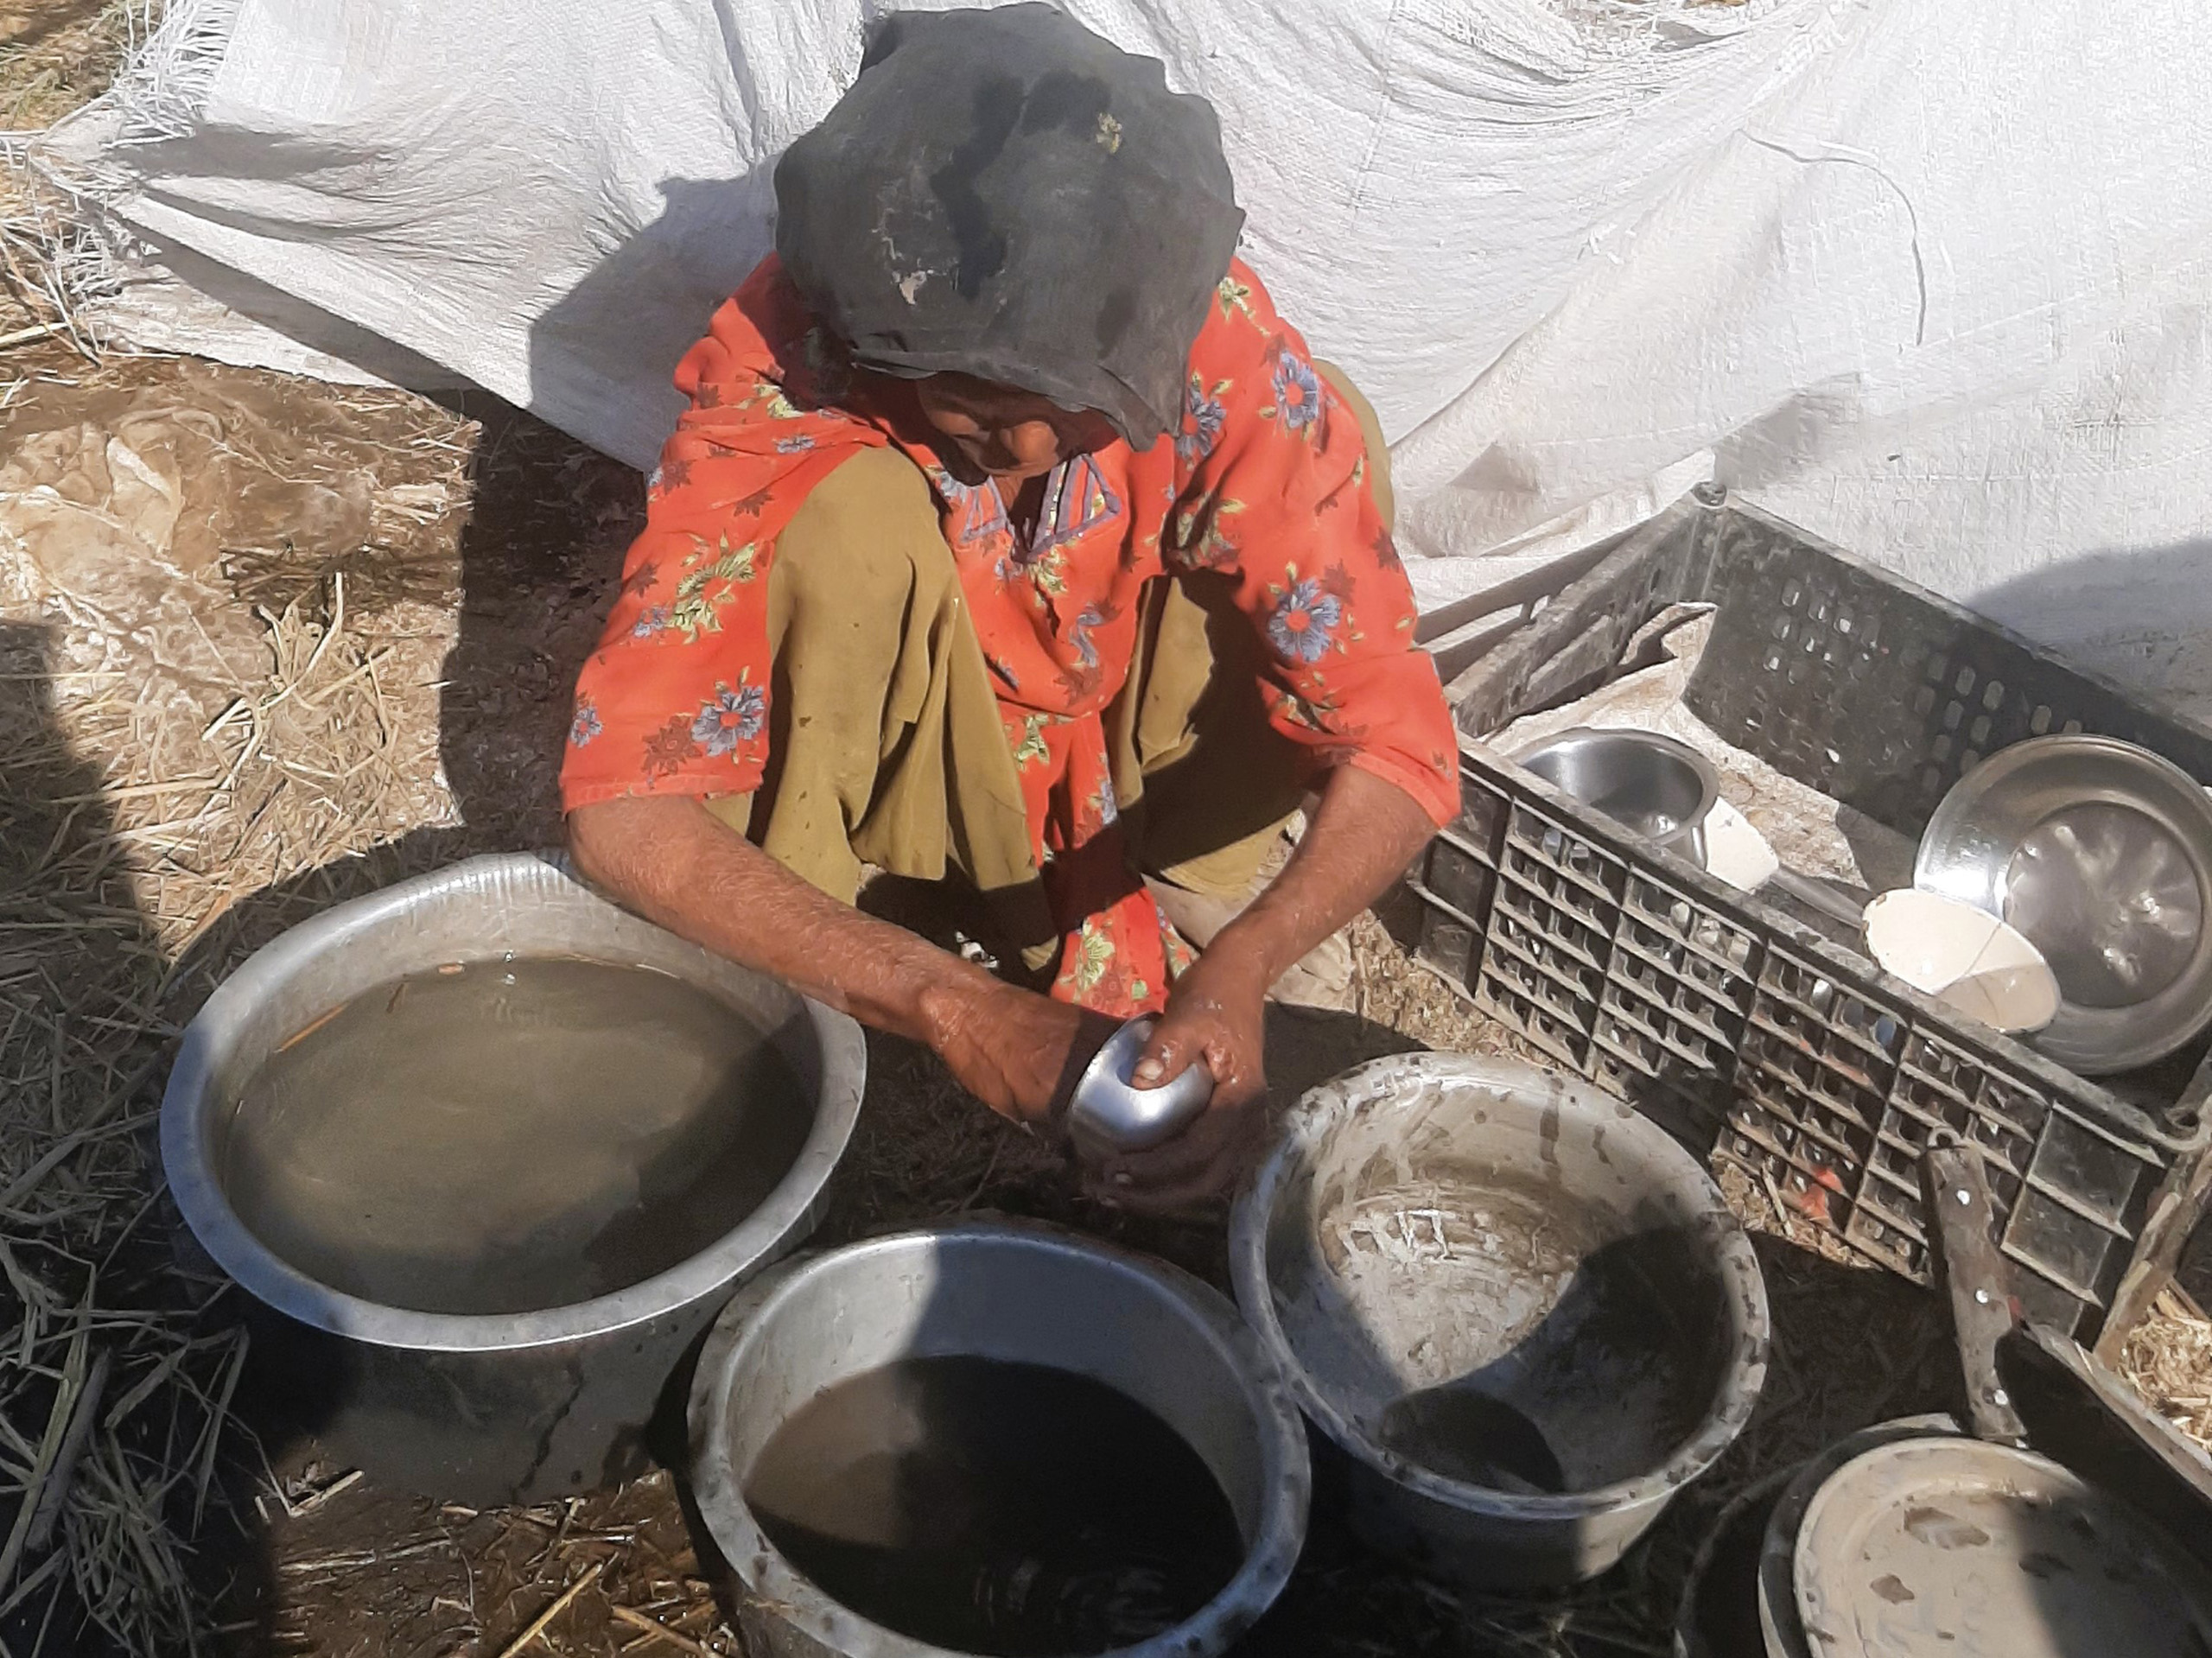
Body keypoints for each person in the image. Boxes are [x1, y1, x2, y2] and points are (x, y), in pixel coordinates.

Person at [562, 3, 1458, 1212]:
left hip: (1121, 721)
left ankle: (1191, 866)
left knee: (1329, 434)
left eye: (1073, 415)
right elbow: (626, 816)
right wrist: (954, 1004)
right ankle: (853, 924)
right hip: (926, 748)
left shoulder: (1202, 334)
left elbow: (1396, 734)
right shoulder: (790, 365)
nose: (1027, 447)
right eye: (973, 414)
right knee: (847, 526)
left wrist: (1247, 964)